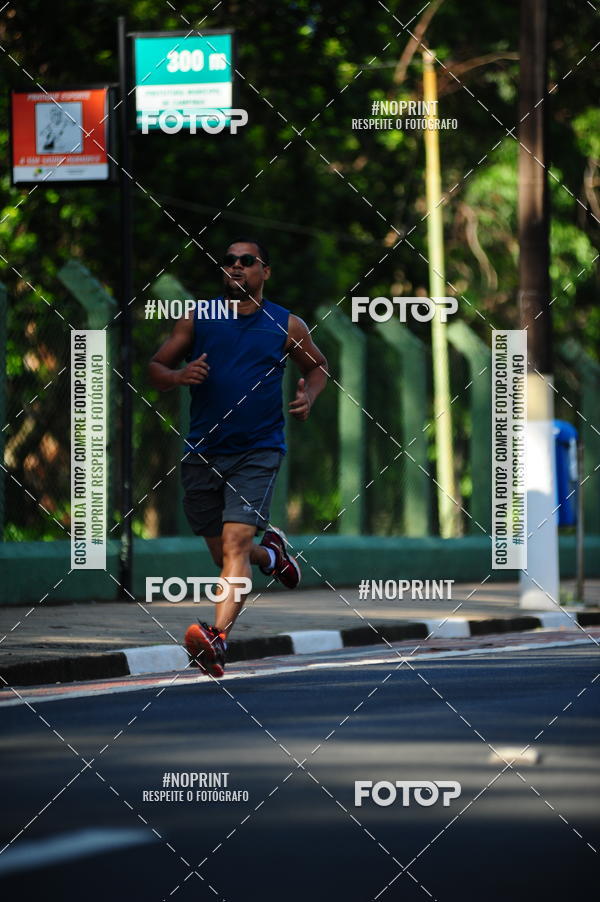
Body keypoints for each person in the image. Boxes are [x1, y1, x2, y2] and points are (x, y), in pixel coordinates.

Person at [148, 238, 328, 677]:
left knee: (234, 546)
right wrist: (178, 375)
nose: (236, 267)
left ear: (265, 271)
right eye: (228, 261)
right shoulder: (197, 318)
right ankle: (273, 555)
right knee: (225, 555)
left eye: (247, 261)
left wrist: (309, 397)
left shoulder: (286, 324)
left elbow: (318, 367)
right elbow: (155, 368)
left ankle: (217, 637)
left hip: (259, 451)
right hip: (203, 451)